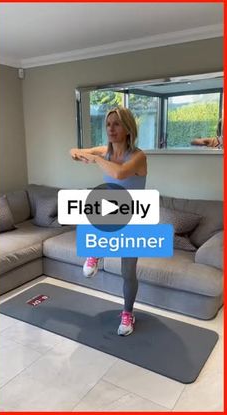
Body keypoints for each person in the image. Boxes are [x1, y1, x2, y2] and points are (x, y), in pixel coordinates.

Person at [70, 107, 147, 336]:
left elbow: (120, 174)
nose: (111, 129)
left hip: (133, 217)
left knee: (128, 272)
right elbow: (73, 151)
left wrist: (94, 158)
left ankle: (127, 313)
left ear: (128, 128)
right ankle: (96, 250)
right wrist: (77, 153)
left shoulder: (138, 156)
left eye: (117, 124)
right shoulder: (103, 151)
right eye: (108, 124)